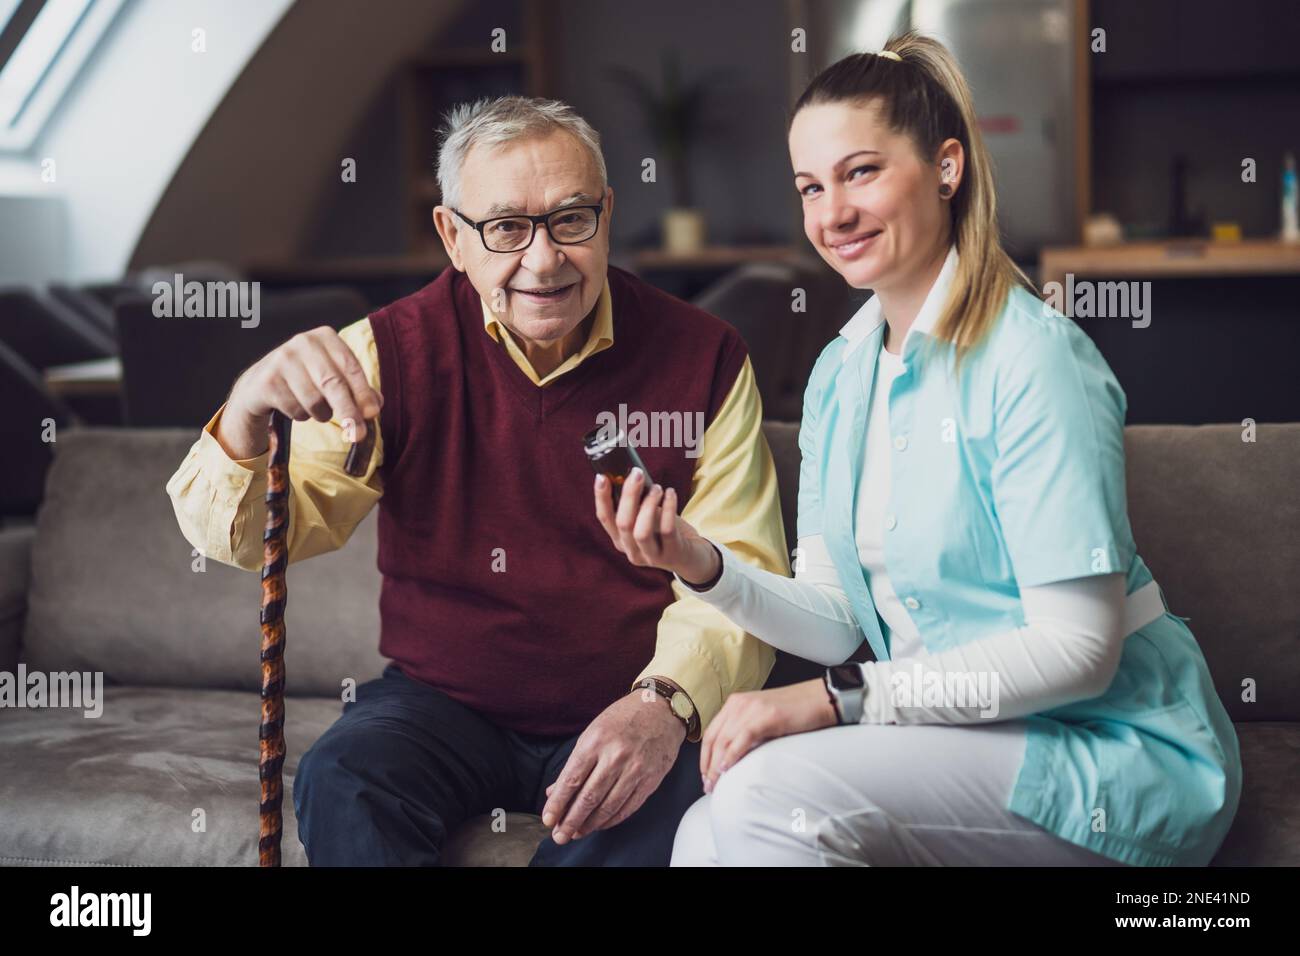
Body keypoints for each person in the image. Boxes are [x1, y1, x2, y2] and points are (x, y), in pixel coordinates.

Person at [596, 32, 1241, 867]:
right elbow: (835, 624)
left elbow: (1080, 651)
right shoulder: (840, 374)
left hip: (1111, 750)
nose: (832, 213)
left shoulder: (1032, 355)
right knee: (702, 829)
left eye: (862, 171)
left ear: (947, 166)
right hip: (964, 740)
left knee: (763, 795)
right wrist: (699, 562)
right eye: (810, 187)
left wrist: (838, 703)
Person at [165, 95, 790, 866]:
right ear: (452, 237)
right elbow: (255, 540)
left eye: (571, 219)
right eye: (505, 227)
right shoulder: (388, 354)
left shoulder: (707, 355)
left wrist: (663, 704)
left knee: (683, 799)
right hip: (441, 705)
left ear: (609, 216)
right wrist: (250, 409)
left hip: (630, 693)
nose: (544, 258)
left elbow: (746, 571)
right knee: (345, 780)